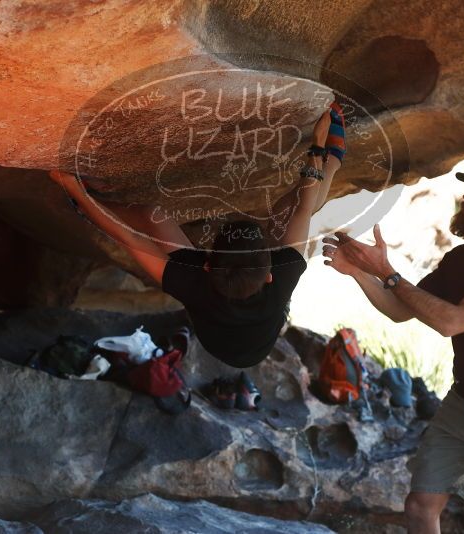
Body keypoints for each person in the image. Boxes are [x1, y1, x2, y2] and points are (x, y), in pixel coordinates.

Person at [322, 164, 464, 534]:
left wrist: (387, 272)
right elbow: (401, 308)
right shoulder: (459, 260)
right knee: (419, 506)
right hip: (463, 402)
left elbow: (452, 321)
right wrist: (358, 271)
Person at [49, 102, 346, 368]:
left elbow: (130, 238)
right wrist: (317, 148)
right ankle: (334, 160)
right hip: (262, 327)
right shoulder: (285, 275)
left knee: (151, 214)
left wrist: (77, 193)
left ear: (205, 263)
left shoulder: (191, 283)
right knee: (290, 211)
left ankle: (92, 198)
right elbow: (303, 210)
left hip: (221, 344)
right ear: (269, 274)